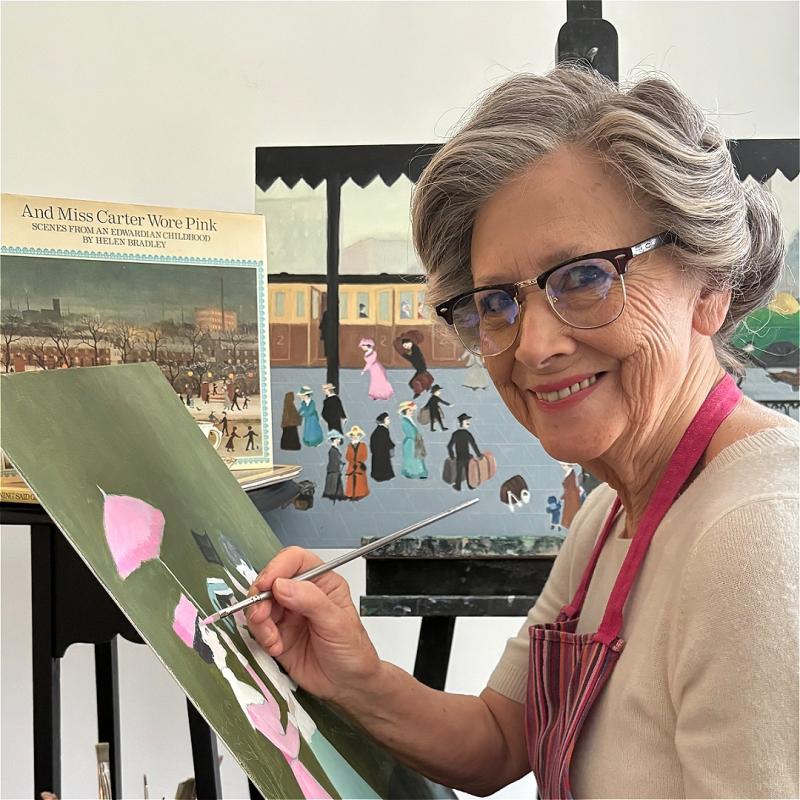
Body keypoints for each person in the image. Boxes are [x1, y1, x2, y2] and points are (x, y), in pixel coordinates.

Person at [246, 65, 799, 798]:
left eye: (584, 277)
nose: (534, 347)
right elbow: (506, 737)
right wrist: (358, 677)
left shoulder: (756, 534)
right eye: (498, 303)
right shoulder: (611, 512)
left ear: (708, 284)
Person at [446, 413, 482, 491]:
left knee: (459, 472)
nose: (468, 422)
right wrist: (478, 455)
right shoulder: (467, 434)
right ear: (462, 423)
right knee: (468, 471)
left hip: (459, 457)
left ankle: (458, 486)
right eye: (467, 421)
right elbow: (473, 445)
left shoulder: (455, 434)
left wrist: (452, 456)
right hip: (467, 457)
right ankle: (470, 485)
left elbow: (449, 446)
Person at [397, 401, 428, 479]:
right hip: (411, 442)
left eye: (412, 411)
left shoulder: (409, 419)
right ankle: (412, 472)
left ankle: (419, 472)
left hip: (415, 441)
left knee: (417, 457)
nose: (412, 412)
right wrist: (417, 437)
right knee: (412, 458)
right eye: (410, 411)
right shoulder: (405, 421)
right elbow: (411, 433)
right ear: (406, 411)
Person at [343, 425, 370, 500]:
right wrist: (352, 461)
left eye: (357, 435)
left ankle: (360, 494)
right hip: (351, 465)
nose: (355, 437)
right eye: (353, 435)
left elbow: (364, 455)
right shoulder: (349, 445)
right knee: (351, 479)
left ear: (359, 436)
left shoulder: (363, 445)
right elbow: (347, 456)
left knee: (360, 480)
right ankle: (351, 494)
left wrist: (358, 461)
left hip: (360, 465)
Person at [369, 412, 395, 482]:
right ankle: (383, 476)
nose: (389, 420)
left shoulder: (380, 430)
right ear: (383, 420)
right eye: (388, 419)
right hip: (382, 453)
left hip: (379, 453)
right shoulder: (383, 430)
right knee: (383, 466)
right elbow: (387, 442)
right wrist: (392, 445)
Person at [322, 430, 345, 503]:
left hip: (335, 470)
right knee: (333, 485)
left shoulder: (335, 449)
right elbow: (334, 460)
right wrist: (339, 463)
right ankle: (332, 497)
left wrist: (341, 462)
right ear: (335, 440)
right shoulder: (332, 450)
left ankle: (337, 497)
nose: (339, 440)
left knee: (337, 484)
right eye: (338, 439)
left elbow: (336, 459)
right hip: (333, 470)